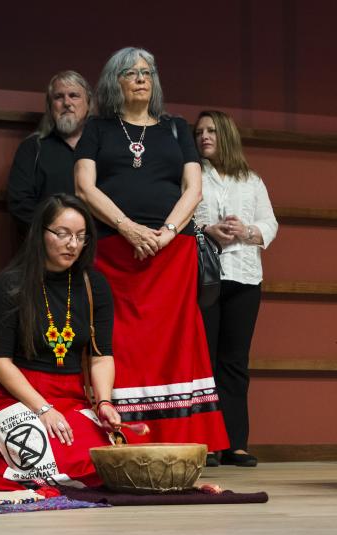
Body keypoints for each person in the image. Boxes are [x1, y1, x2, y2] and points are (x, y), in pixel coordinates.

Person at [74, 47, 229, 454]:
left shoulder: (176, 128)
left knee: (174, 343)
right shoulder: (98, 128)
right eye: (131, 72)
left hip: (171, 253)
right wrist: (126, 228)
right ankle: (122, 436)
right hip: (114, 250)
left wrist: (165, 232)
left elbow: (193, 189)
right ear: (115, 81)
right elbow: (84, 187)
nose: (142, 78)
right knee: (119, 342)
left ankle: (183, 441)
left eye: (147, 72)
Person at [0, 194, 120, 491]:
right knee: (50, 461)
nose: (72, 244)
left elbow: (101, 355)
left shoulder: (95, 284)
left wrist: (104, 402)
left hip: (70, 395)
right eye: (63, 234)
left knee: (103, 460)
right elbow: (0, 362)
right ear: (40, 233)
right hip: (16, 395)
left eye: (81, 237)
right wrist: (42, 410)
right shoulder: (10, 285)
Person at [194, 110, 278, 467]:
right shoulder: (193, 174)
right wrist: (208, 230)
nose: (203, 137)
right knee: (205, 360)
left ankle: (235, 442)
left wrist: (245, 231)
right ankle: (208, 443)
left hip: (244, 277)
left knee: (235, 362)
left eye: (211, 131)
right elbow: (183, 220)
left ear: (226, 135)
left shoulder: (251, 179)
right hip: (206, 275)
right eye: (198, 132)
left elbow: (269, 223)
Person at [7, 71, 93, 234]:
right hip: (46, 247)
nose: (66, 103)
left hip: (99, 250)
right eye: (58, 97)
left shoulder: (104, 150)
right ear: (50, 106)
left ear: (88, 104)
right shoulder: (32, 148)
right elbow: (20, 204)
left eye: (74, 95)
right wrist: (56, 233)